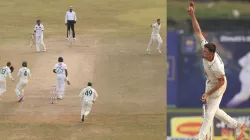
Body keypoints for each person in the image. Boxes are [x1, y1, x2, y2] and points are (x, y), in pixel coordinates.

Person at [187, 6, 246, 140]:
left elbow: (221, 81)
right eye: (203, 51)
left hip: (219, 86)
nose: (203, 53)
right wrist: (192, 15)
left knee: (209, 113)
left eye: (205, 53)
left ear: (212, 54)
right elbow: (198, 31)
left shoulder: (217, 66)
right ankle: (236, 125)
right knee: (215, 110)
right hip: (210, 83)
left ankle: (199, 138)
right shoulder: (205, 47)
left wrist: (208, 93)